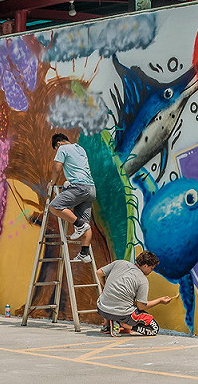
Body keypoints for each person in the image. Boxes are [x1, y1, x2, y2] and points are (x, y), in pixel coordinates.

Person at [96, 251, 173, 337]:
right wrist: (160, 300)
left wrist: (105, 286)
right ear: (145, 266)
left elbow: (99, 272)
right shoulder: (142, 280)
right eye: (151, 268)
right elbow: (141, 306)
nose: (152, 271)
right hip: (121, 314)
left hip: (102, 308)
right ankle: (124, 325)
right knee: (153, 329)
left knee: (108, 292)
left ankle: (106, 325)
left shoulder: (119, 263)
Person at [45, 133, 96, 262]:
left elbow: (57, 167)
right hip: (90, 189)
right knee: (86, 224)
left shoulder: (62, 148)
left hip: (79, 187)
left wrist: (52, 182)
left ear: (58, 144)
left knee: (54, 207)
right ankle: (84, 253)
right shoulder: (80, 149)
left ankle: (78, 225)